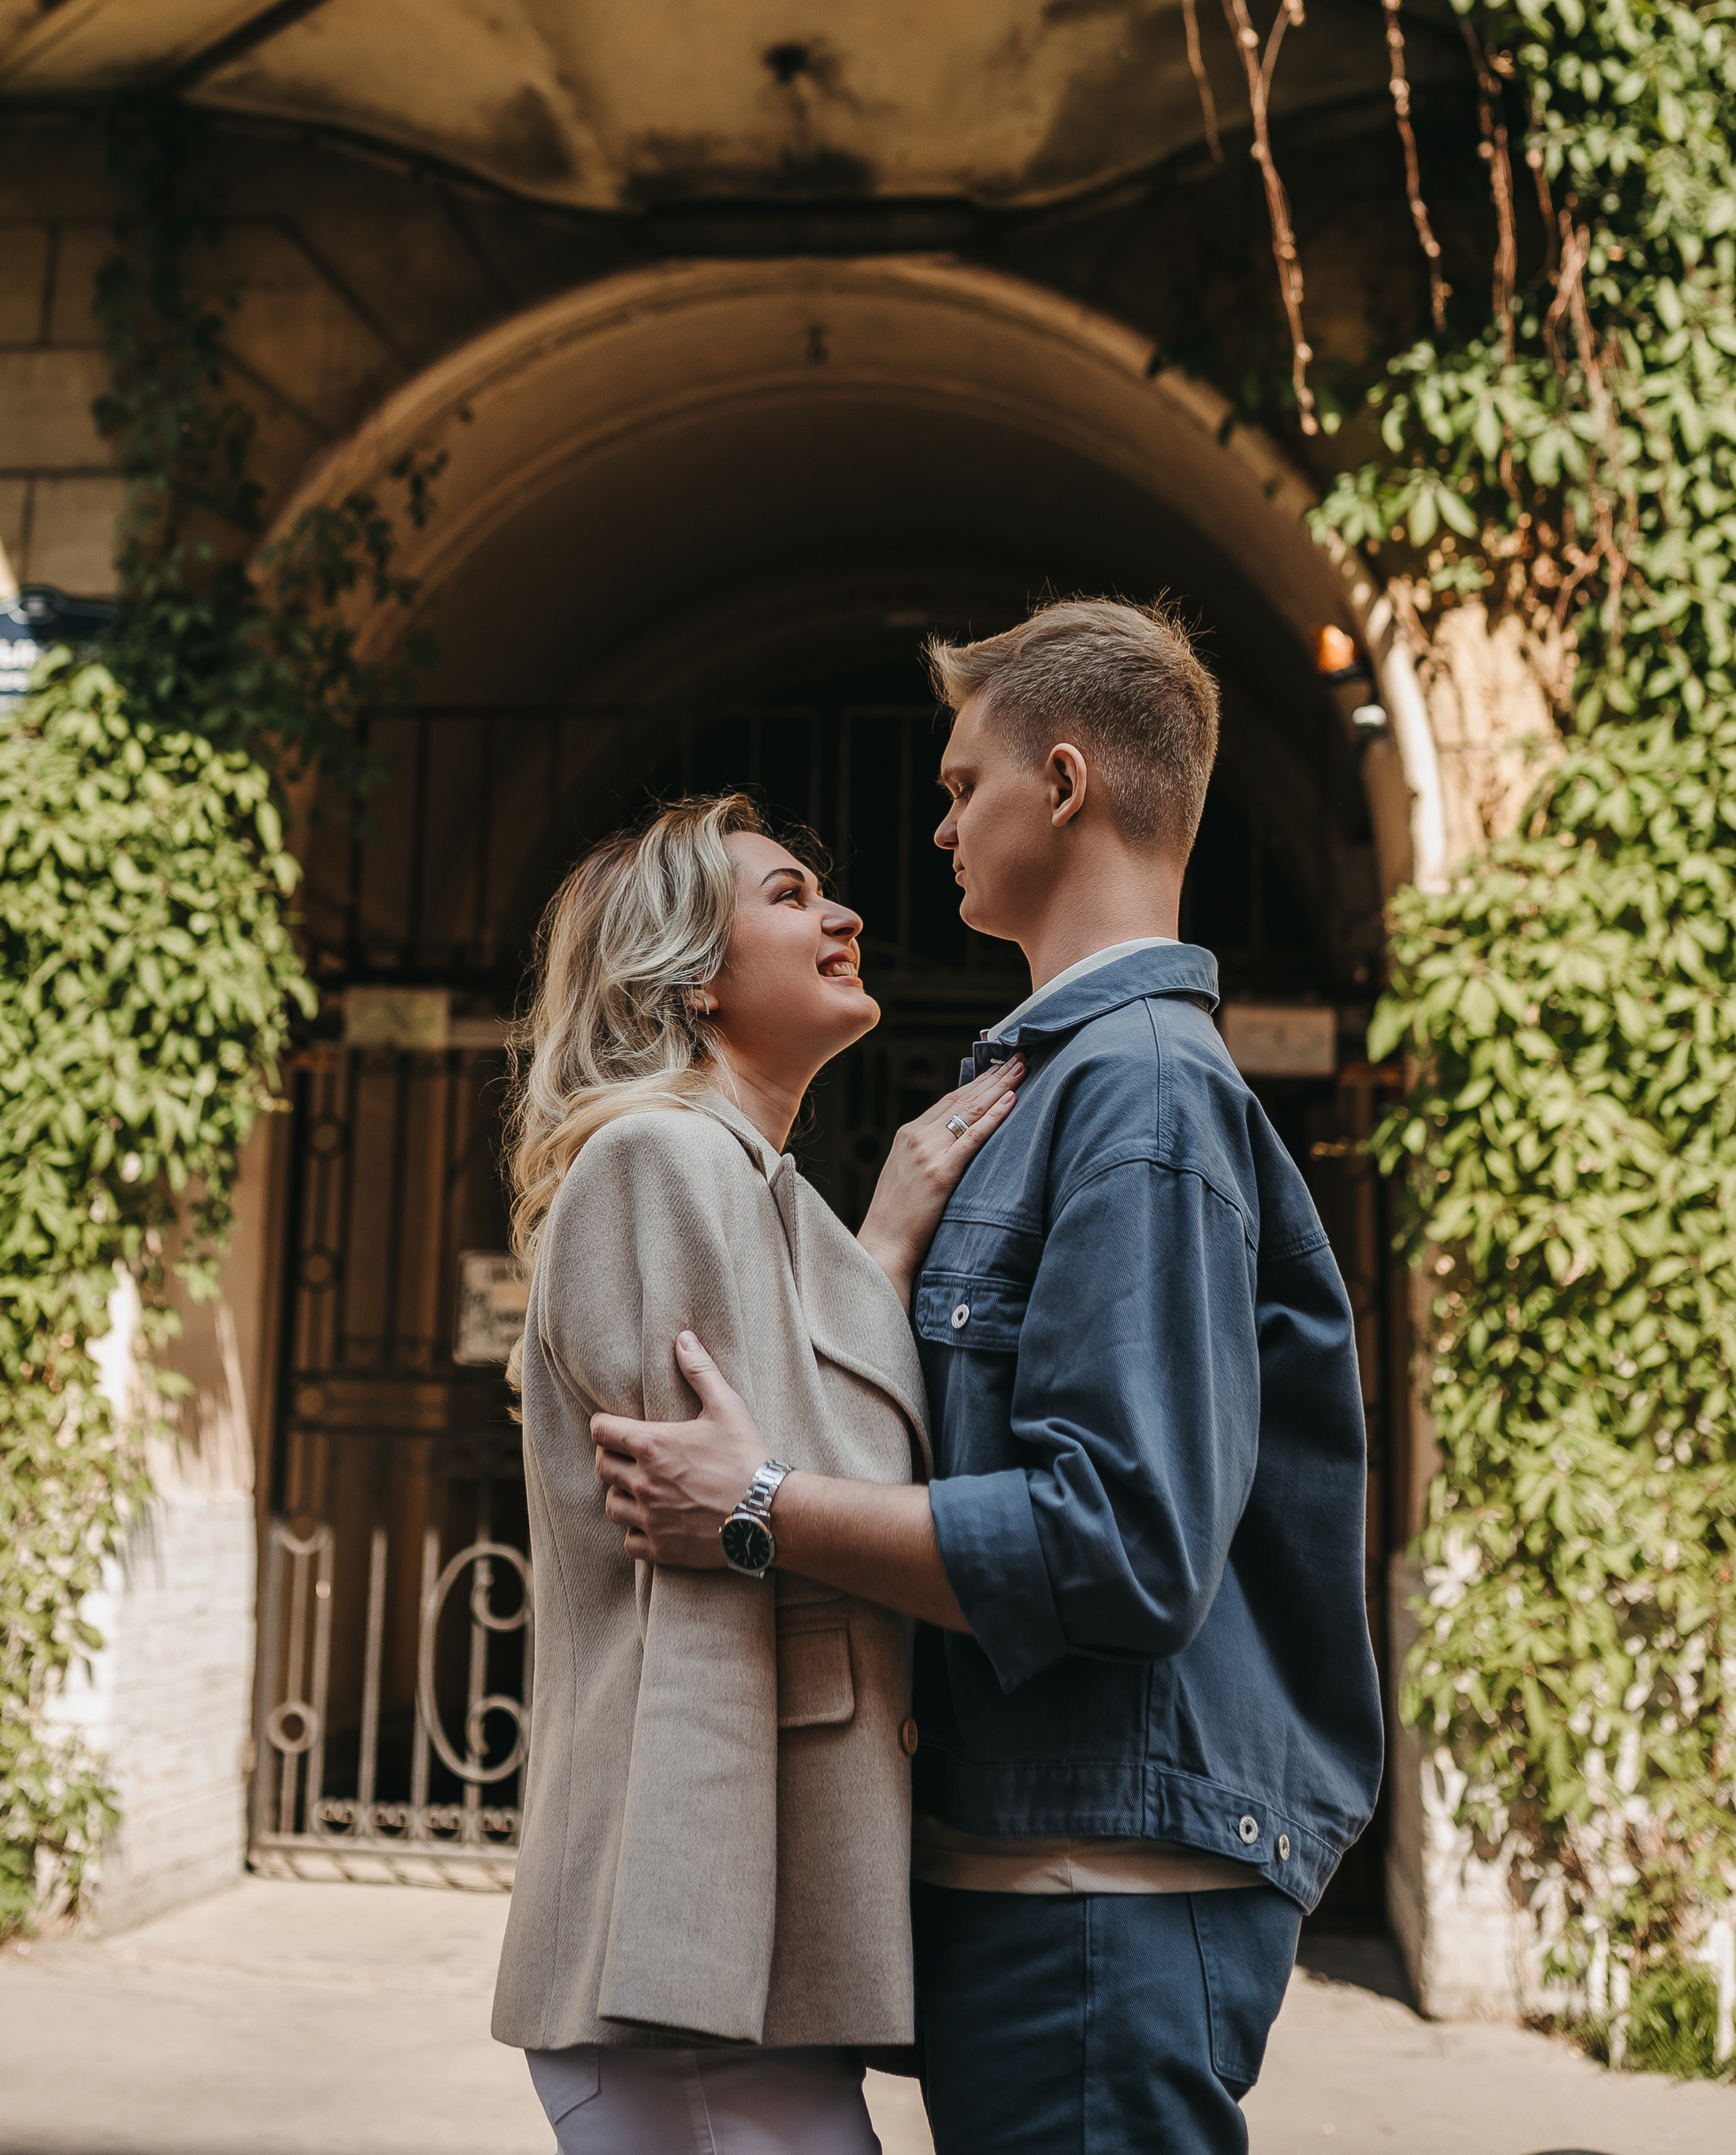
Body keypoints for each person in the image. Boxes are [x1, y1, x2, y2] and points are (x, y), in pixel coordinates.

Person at [592, 600, 1386, 2155]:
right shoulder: (1061, 1089)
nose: (941, 824)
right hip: (1043, 1888)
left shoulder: (1141, 1095)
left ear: (1064, 783)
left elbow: (1124, 1545)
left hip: (1095, 1906)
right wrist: (879, 1257)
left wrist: (758, 1503)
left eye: (964, 785)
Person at [490, 789, 1025, 2153]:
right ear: (693, 980)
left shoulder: (751, 1181)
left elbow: (781, 1465)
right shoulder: (660, 1160)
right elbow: (734, 1553)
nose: (844, 915)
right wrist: (695, 1969)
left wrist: (877, 1248)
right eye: (789, 897)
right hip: (695, 1966)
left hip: (739, 1964)